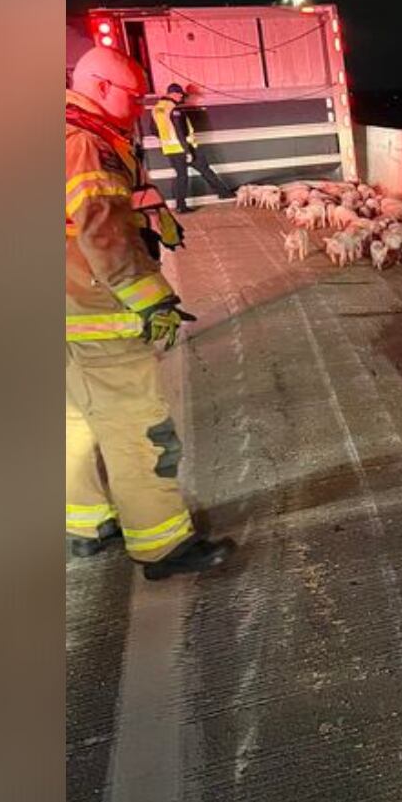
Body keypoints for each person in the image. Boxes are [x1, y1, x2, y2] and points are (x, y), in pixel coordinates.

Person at [64, 47, 233, 578]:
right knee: (137, 430)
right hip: (92, 314)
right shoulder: (85, 143)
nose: (139, 108)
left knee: (72, 422)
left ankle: (86, 525)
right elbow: (100, 229)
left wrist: (153, 213)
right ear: (102, 87)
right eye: (133, 98)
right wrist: (151, 297)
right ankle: (163, 545)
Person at [147, 83, 232, 210]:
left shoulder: (157, 108)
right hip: (185, 147)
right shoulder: (174, 109)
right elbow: (180, 131)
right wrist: (187, 151)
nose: (181, 97)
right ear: (174, 94)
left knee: (182, 176)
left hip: (170, 149)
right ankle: (223, 193)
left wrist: (167, 139)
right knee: (204, 169)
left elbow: (153, 129)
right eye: (180, 94)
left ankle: (181, 205)